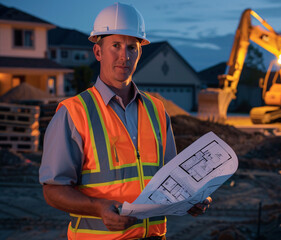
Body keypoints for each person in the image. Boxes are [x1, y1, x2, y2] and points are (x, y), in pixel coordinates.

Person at [39, 2, 210, 240]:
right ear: (98, 52)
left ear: (140, 53)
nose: (124, 56)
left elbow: (170, 178)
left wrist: (189, 199)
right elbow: (53, 190)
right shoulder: (73, 113)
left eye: (132, 47)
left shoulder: (157, 110)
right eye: (115, 46)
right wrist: (98, 207)